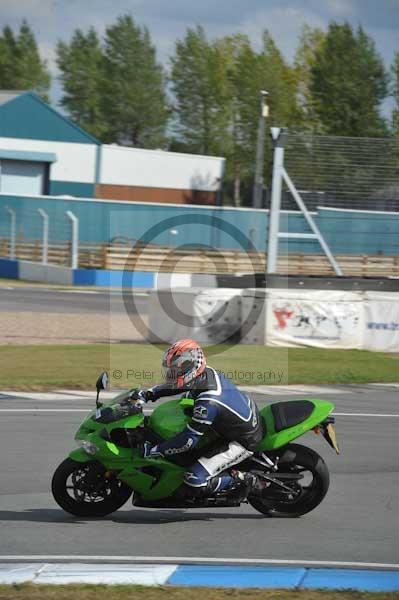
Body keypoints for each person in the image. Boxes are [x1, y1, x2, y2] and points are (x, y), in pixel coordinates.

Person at [137, 338, 267, 499]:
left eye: (175, 370)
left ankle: (246, 479)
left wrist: (155, 450)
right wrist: (149, 393)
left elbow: (187, 442)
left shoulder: (208, 402)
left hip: (243, 440)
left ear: (189, 368)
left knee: (194, 479)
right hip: (235, 420)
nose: (171, 373)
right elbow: (178, 385)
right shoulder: (204, 373)